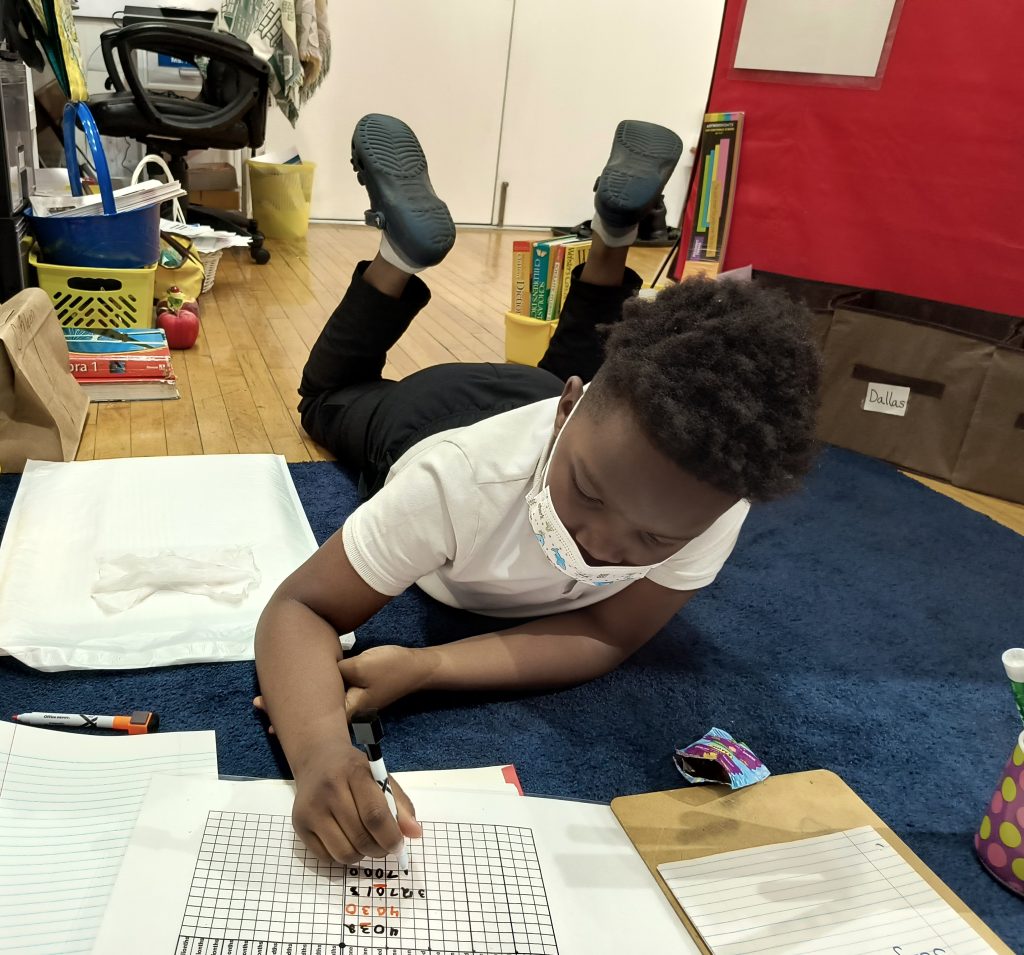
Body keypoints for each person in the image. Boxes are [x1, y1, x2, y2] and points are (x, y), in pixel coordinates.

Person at [253, 113, 821, 866]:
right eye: (588, 492)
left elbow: (609, 632)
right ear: (565, 416)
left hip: (542, 391)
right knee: (328, 396)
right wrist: (321, 749)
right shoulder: (454, 480)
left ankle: (610, 233)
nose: (600, 545)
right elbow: (299, 607)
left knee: (584, 362)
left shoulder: (707, 492)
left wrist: (428, 666)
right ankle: (400, 254)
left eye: (654, 539)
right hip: (430, 413)